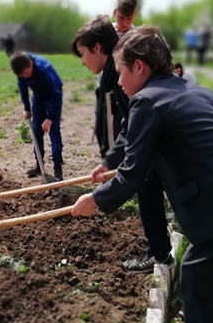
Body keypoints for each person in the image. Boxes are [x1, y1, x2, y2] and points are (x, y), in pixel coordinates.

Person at [72, 26, 213, 323]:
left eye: (120, 72)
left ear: (140, 67)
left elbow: (132, 174)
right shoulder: (195, 90)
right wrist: (109, 164)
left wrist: (94, 200)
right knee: (196, 283)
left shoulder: (146, 100)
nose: (119, 80)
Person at [73, 16, 174, 273]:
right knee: (147, 184)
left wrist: (95, 199)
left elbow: (133, 135)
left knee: (146, 182)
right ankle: (159, 251)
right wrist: (108, 162)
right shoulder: (115, 76)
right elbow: (130, 127)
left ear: (98, 48)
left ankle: (159, 253)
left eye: (83, 54)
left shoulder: (123, 76)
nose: (82, 61)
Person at [10, 51, 64, 181]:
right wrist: (27, 108)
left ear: (31, 64)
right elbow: (23, 88)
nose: (25, 77)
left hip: (53, 95)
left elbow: (56, 94)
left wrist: (50, 117)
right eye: (22, 75)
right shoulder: (21, 67)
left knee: (54, 131)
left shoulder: (42, 69)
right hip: (38, 96)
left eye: (26, 74)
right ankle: (39, 165)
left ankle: (58, 167)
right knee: (36, 131)